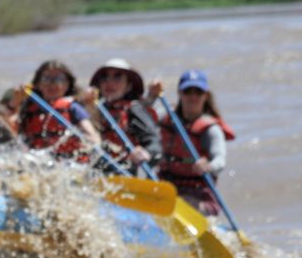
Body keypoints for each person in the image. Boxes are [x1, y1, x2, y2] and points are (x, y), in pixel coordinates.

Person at [149, 70, 235, 216]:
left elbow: (220, 161)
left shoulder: (211, 129)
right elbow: (141, 116)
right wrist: (151, 96)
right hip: (166, 189)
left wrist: (208, 166)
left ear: (205, 96)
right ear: (180, 94)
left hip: (199, 196)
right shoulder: (165, 118)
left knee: (183, 203)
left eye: (198, 92)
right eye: (188, 91)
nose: (193, 97)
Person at [81, 57, 162, 175]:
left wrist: (147, 153)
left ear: (128, 86)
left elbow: (154, 142)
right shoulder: (92, 109)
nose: (109, 82)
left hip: (126, 174)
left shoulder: (134, 109)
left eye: (117, 77)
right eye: (104, 78)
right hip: (96, 173)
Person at [18, 59, 100, 160]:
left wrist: (91, 142)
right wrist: (15, 102)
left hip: (68, 161)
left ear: (68, 84)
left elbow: (92, 135)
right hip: (37, 160)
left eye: (59, 79)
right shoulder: (27, 108)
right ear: (38, 84)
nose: (52, 84)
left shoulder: (73, 107)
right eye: (46, 78)